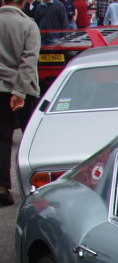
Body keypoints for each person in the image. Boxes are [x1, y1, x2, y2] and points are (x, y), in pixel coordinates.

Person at [0, 0, 39, 206]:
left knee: (2, 138)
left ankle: (2, 186)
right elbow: (29, 61)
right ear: (23, 3)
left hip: (0, 88)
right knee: (32, 138)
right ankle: (36, 184)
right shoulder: (29, 25)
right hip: (26, 90)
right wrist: (19, 91)